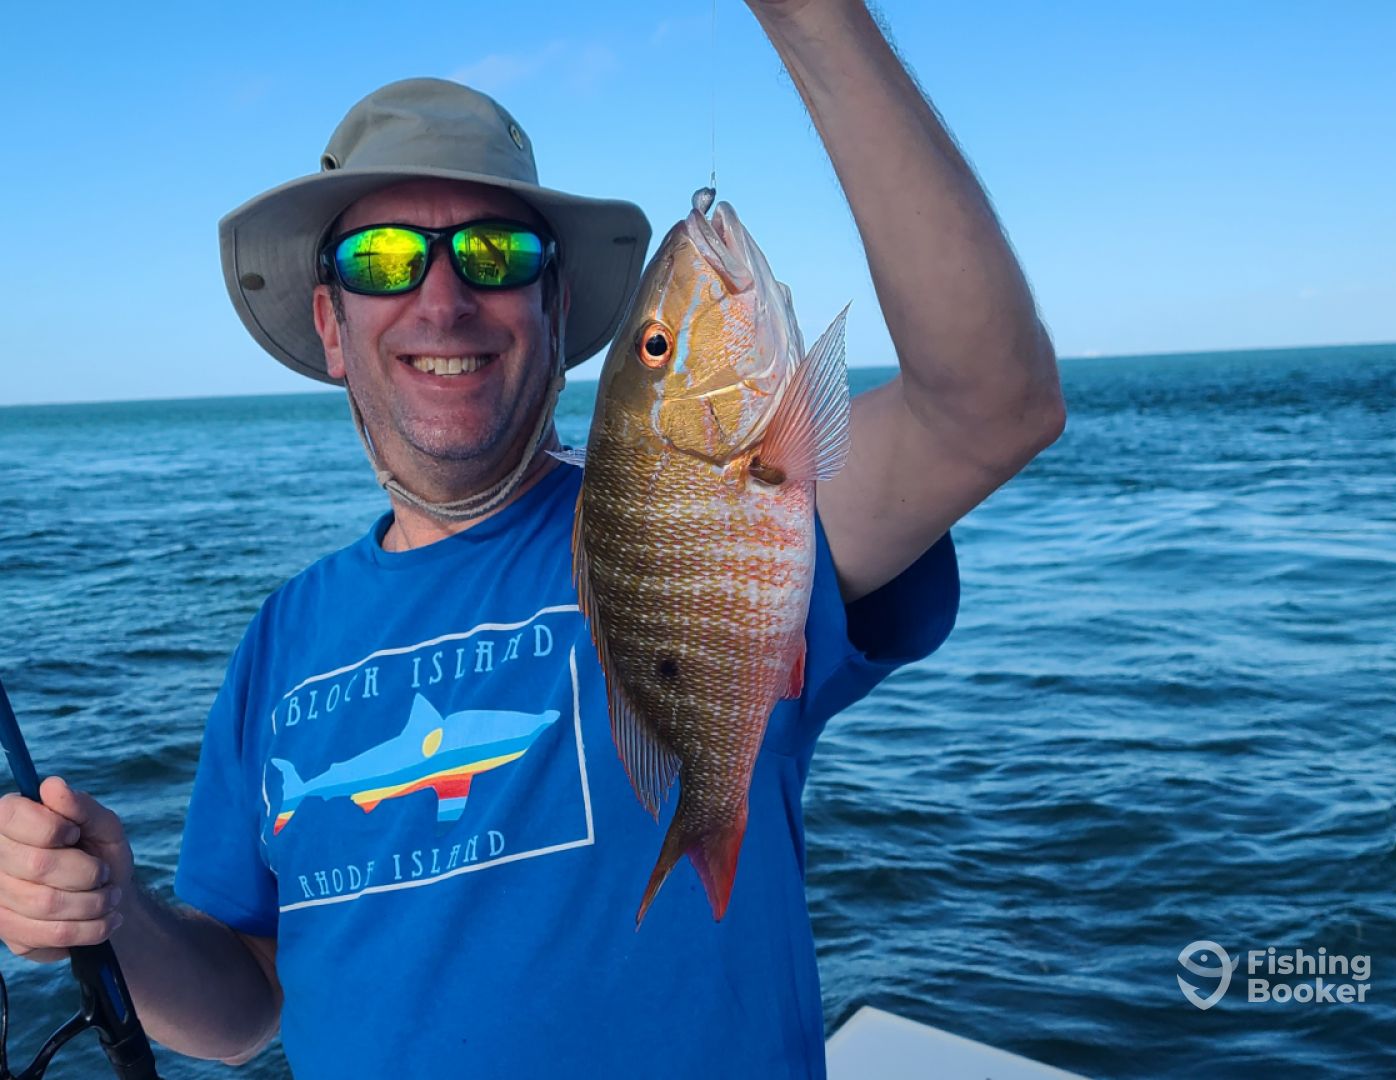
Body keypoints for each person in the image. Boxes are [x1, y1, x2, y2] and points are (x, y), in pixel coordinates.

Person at [0, 1, 1063, 1075]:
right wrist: (116, 914)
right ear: (331, 326)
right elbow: (239, 1010)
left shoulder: (706, 517)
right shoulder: (281, 640)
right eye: (381, 258)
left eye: (495, 251)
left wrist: (812, 18)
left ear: (556, 309)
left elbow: (991, 405)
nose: (443, 296)